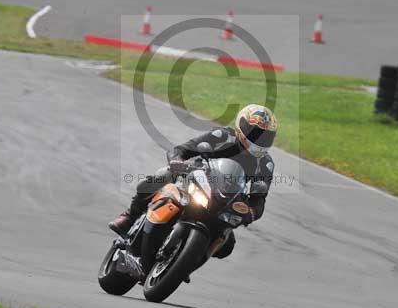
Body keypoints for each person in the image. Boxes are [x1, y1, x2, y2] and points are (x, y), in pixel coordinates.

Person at [109, 104, 278, 243]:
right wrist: (178, 161)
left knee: (227, 244)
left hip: (225, 200)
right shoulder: (223, 136)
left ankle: (185, 263)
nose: (258, 140)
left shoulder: (265, 163)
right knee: (163, 175)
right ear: (242, 126)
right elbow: (182, 149)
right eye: (254, 133)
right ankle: (130, 215)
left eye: (264, 137)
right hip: (195, 177)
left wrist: (250, 212)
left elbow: (259, 199)